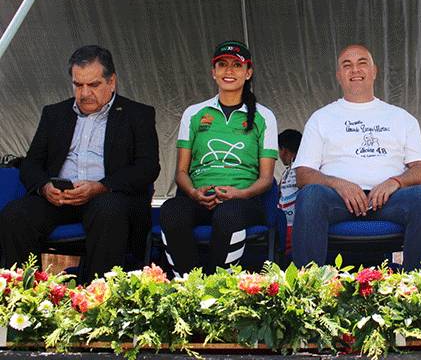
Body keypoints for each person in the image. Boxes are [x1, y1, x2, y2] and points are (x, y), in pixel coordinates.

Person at [0, 45, 160, 281]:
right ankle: (27, 293)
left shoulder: (137, 114)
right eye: (78, 85)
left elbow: (147, 168)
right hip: (59, 198)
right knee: (15, 215)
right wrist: (45, 187)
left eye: (93, 85)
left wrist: (101, 187)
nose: (85, 93)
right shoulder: (55, 114)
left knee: (108, 210)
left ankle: (96, 295)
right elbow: (31, 164)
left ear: (112, 82)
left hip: (107, 195)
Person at [292, 44, 421, 270]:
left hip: (389, 201)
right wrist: (338, 184)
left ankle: (415, 284)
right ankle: (308, 285)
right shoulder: (321, 118)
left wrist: (395, 182)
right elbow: (303, 174)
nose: (355, 70)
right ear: (338, 75)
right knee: (311, 195)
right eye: (347, 65)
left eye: (362, 63)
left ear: (374, 71)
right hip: (337, 201)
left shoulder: (401, 117)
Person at [160, 41, 278, 276]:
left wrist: (240, 194)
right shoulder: (194, 113)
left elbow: (266, 179)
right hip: (199, 199)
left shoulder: (264, 116)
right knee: (171, 210)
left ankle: (218, 288)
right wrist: (193, 193)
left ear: (248, 72)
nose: (229, 71)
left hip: (243, 202)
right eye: (222, 65)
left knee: (228, 215)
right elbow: (181, 173)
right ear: (213, 72)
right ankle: (189, 286)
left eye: (237, 65)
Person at [278, 129, 302, 255]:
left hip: (292, 226)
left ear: (283, 150)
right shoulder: (307, 169)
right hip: (290, 224)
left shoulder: (304, 171)